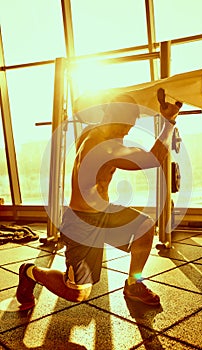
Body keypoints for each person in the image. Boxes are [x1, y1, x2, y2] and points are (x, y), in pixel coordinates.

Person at [16, 89, 182, 310]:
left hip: (104, 213)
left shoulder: (97, 133)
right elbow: (151, 159)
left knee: (144, 225)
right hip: (81, 221)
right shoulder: (101, 144)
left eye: (132, 124)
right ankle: (29, 271)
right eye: (127, 124)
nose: (129, 129)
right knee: (77, 292)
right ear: (113, 117)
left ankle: (134, 284)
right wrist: (169, 122)